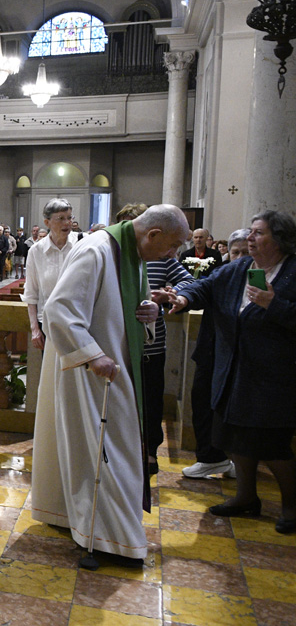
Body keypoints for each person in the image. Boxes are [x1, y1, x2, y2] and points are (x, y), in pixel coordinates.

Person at [29, 204, 190, 564]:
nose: (172, 254)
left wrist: (149, 312)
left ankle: (73, 517)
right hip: (91, 372)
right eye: (173, 246)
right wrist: (93, 355)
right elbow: (58, 310)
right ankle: (108, 539)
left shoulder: (131, 254)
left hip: (112, 367)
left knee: (101, 452)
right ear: (153, 235)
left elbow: (125, 307)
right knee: (107, 454)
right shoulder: (97, 250)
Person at [170, 211, 296, 533]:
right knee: (235, 437)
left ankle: (292, 507)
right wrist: (183, 297)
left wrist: (274, 304)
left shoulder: (293, 273)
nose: (250, 238)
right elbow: (206, 287)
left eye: (258, 233)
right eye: (250, 233)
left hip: (273, 377)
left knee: (273, 446)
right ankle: (245, 498)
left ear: (279, 239)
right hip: (233, 370)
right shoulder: (239, 267)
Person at [115, 203, 194, 476]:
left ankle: (149, 451)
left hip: (152, 345)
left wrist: (167, 296)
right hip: (120, 343)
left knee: (150, 399)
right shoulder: (113, 255)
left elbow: (189, 282)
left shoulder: (163, 256)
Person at [177, 228, 249, 480]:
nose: (240, 257)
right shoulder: (222, 273)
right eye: (235, 252)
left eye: (245, 252)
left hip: (244, 359)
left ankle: (233, 461)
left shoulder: (262, 278)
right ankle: (209, 457)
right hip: (212, 351)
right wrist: (182, 298)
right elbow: (199, 289)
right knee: (203, 402)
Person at [23, 198, 76, 352]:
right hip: (47, 323)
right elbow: (31, 293)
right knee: (51, 374)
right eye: (60, 218)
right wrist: (35, 329)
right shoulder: (36, 251)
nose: (67, 223)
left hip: (79, 322)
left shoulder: (82, 245)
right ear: (47, 222)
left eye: (69, 218)